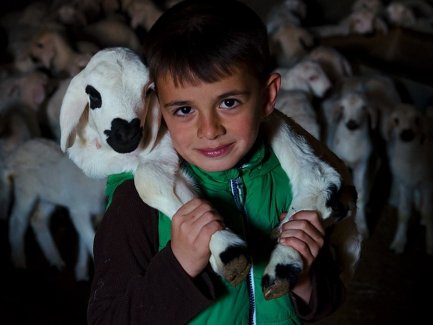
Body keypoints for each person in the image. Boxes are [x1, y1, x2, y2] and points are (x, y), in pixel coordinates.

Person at [86, 0, 347, 324]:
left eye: (228, 102)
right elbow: (106, 318)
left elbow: (327, 300)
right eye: (184, 110)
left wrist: (304, 277)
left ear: (267, 97)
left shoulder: (294, 183)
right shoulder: (137, 201)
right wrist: (178, 266)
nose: (209, 130)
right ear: (156, 106)